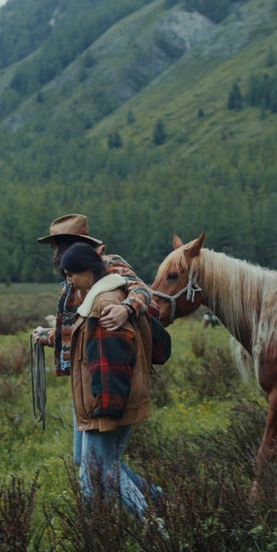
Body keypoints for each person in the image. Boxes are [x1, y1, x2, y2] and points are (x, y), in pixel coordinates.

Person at [32, 213, 168, 501]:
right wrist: (44, 336)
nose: (58, 252)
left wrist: (127, 309)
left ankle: (147, 513)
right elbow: (74, 334)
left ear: (80, 244)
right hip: (84, 379)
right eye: (56, 246)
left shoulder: (110, 267)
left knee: (101, 464)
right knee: (90, 462)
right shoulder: (71, 282)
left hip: (106, 378)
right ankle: (155, 500)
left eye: (63, 244)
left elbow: (144, 293)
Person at [60, 241, 161, 516]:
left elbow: (110, 361)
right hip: (100, 397)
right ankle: (151, 506)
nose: (68, 280)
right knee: (102, 466)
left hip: (103, 399)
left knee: (102, 469)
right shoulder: (97, 296)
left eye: (71, 274)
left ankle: (148, 520)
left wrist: (105, 408)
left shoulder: (103, 303)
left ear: (88, 270)